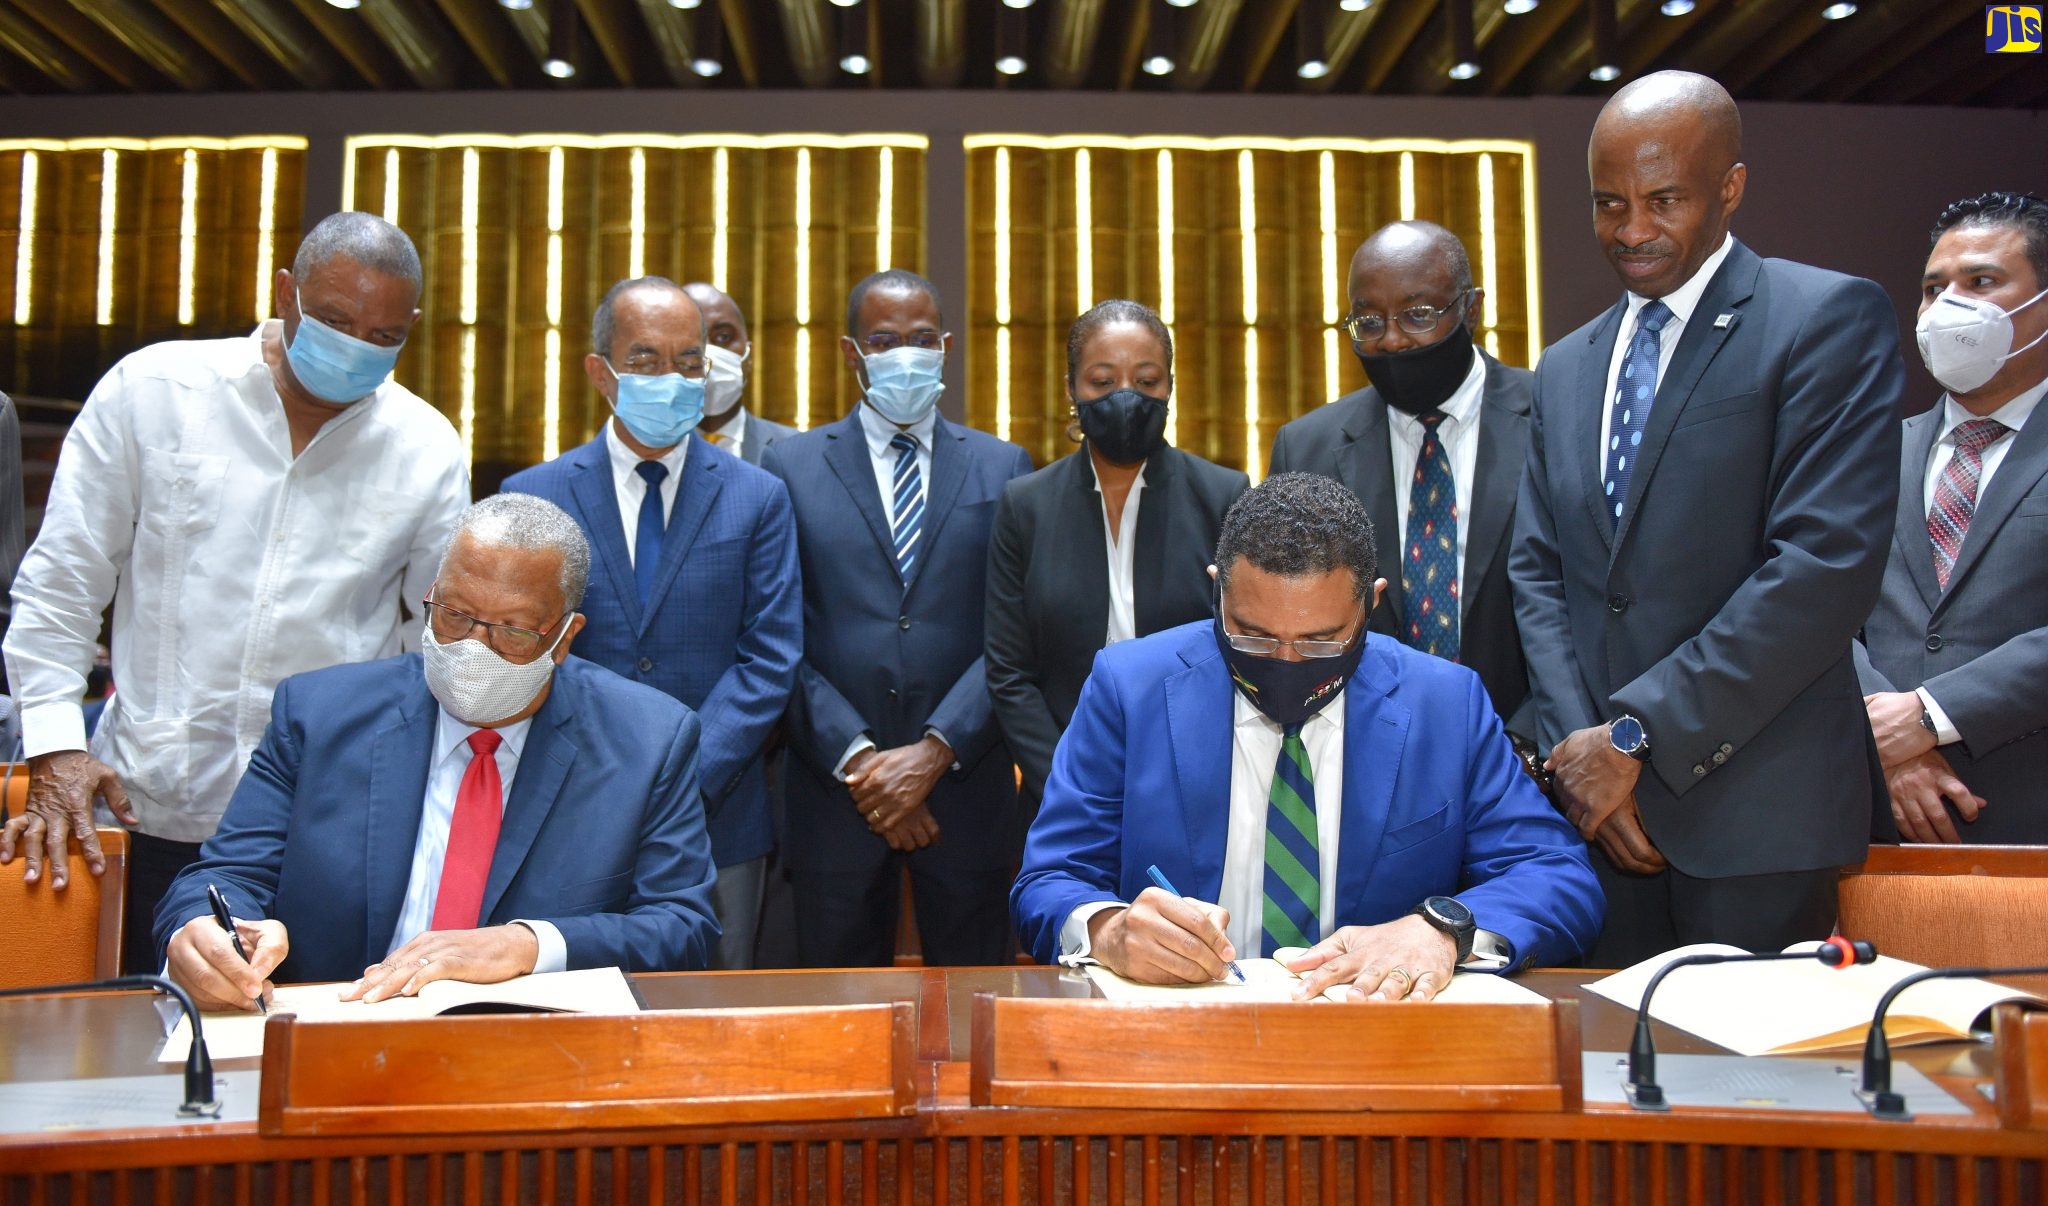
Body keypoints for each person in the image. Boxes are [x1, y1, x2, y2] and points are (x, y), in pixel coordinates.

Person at [1, 212, 469, 975]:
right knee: (129, 1042)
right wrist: (55, 749)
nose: (356, 345)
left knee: (289, 1047)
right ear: (285, 292)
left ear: (413, 328)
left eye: (384, 336)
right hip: (148, 801)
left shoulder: (426, 447)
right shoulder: (153, 392)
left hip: (318, 827)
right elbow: (62, 583)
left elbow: (432, 638)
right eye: (334, 319)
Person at [1508, 71, 1903, 967]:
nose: (1633, 230)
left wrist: (1637, 737)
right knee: (1604, 1090)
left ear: (1730, 187)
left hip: (1756, 819)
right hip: (1598, 826)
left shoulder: (1824, 319)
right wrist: (1587, 764)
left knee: (1756, 1095)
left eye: (1664, 199)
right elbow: (1540, 571)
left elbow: (1820, 567)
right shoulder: (1567, 365)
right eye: (1610, 203)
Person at [1012, 473, 1601, 994]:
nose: (1287, 662)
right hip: (1177, 1044)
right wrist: (1108, 929)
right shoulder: (1130, 687)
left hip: (1378, 1051)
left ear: (1370, 605)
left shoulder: (1444, 704)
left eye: (1321, 641)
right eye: (1253, 636)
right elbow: (1049, 879)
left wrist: (1441, 931)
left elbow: (1558, 876)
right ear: (1217, 591)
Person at [154, 495, 718, 1009]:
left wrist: (528, 944)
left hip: (535, 1050)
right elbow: (227, 873)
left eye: (514, 630)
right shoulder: (318, 712)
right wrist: (208, 929)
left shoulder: (648, 739)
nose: (474, 646)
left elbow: (681, 927)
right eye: (454, 614)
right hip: (337, 1028)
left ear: (565, 637)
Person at [501, 276, 799, 969]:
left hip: (718, 814)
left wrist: (677, 779)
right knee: (576, 1013)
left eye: (690, 361)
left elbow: (770, 659)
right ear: (600, 372)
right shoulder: (534, 495)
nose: (673, 377)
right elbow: (523, 648)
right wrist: (616, 779)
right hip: (573, 806)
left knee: (716, 1026)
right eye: (645, 360)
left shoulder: (758, 497)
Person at [761, 269, 1033, 967]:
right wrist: (864, 766)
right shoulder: (787, 466)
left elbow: (1012, 629)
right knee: (837, 1025)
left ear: (945, 348)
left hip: (965, 795)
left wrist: (934, 752)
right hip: (834, 796)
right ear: (851, 353)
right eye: (884, 340)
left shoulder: (1004, 466)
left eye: (920, 340)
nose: (903, 355)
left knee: (980, 1019)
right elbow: (777, 634)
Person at [1269, 222, 1533, 733]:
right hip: (1367, 753)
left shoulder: (1552, 417)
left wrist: (1529, 746)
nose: (1390, 340)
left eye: (1419, 316)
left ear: (1472, 308)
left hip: (1533, 754)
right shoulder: (1307, 448)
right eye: (1367, 321)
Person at [985, 299, 1247, 805]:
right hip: (1059, 786)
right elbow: (1009, 672)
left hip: (1195, 782)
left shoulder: (1223, 496)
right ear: (1071, 391)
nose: (1125, 397)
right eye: (1103, 383)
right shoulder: (1026, 504)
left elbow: (1239, 647)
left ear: (1170, 386)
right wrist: (1066, 779)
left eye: (1146, 382)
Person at [1858, 192, 2048, 847]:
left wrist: (1929, 717)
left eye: (1982, 282)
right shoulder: (1869, 453)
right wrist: (1883, 734)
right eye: (1933, 288)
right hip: (1871, 817)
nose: (1947, 309)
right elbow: (1810, 608)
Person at [684, 282, 799, 465]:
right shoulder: (645, 450)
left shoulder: (797, 450)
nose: (708, 354)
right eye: (691, 341)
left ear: (749, 355)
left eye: (723, 337)